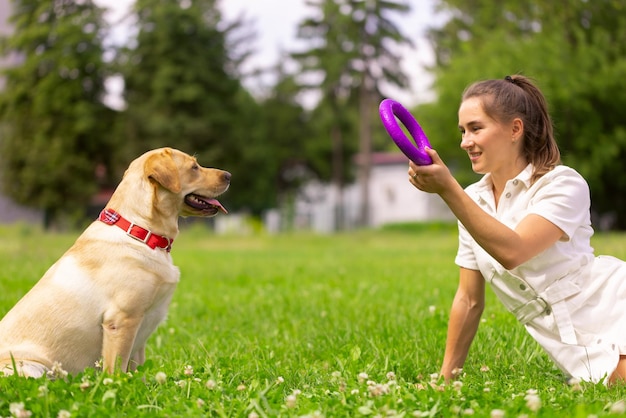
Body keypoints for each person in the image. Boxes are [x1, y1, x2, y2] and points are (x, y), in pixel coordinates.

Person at [408, 74, 626, 385]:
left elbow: (515, 250)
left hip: (610, 304)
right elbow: (469, 299)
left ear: (515, 129)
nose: (464, 141)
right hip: (569, 343)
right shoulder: (473, 201)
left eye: (475, 128)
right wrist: (445, 379)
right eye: (462, 131)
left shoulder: (562, 183)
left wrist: (448, 190)